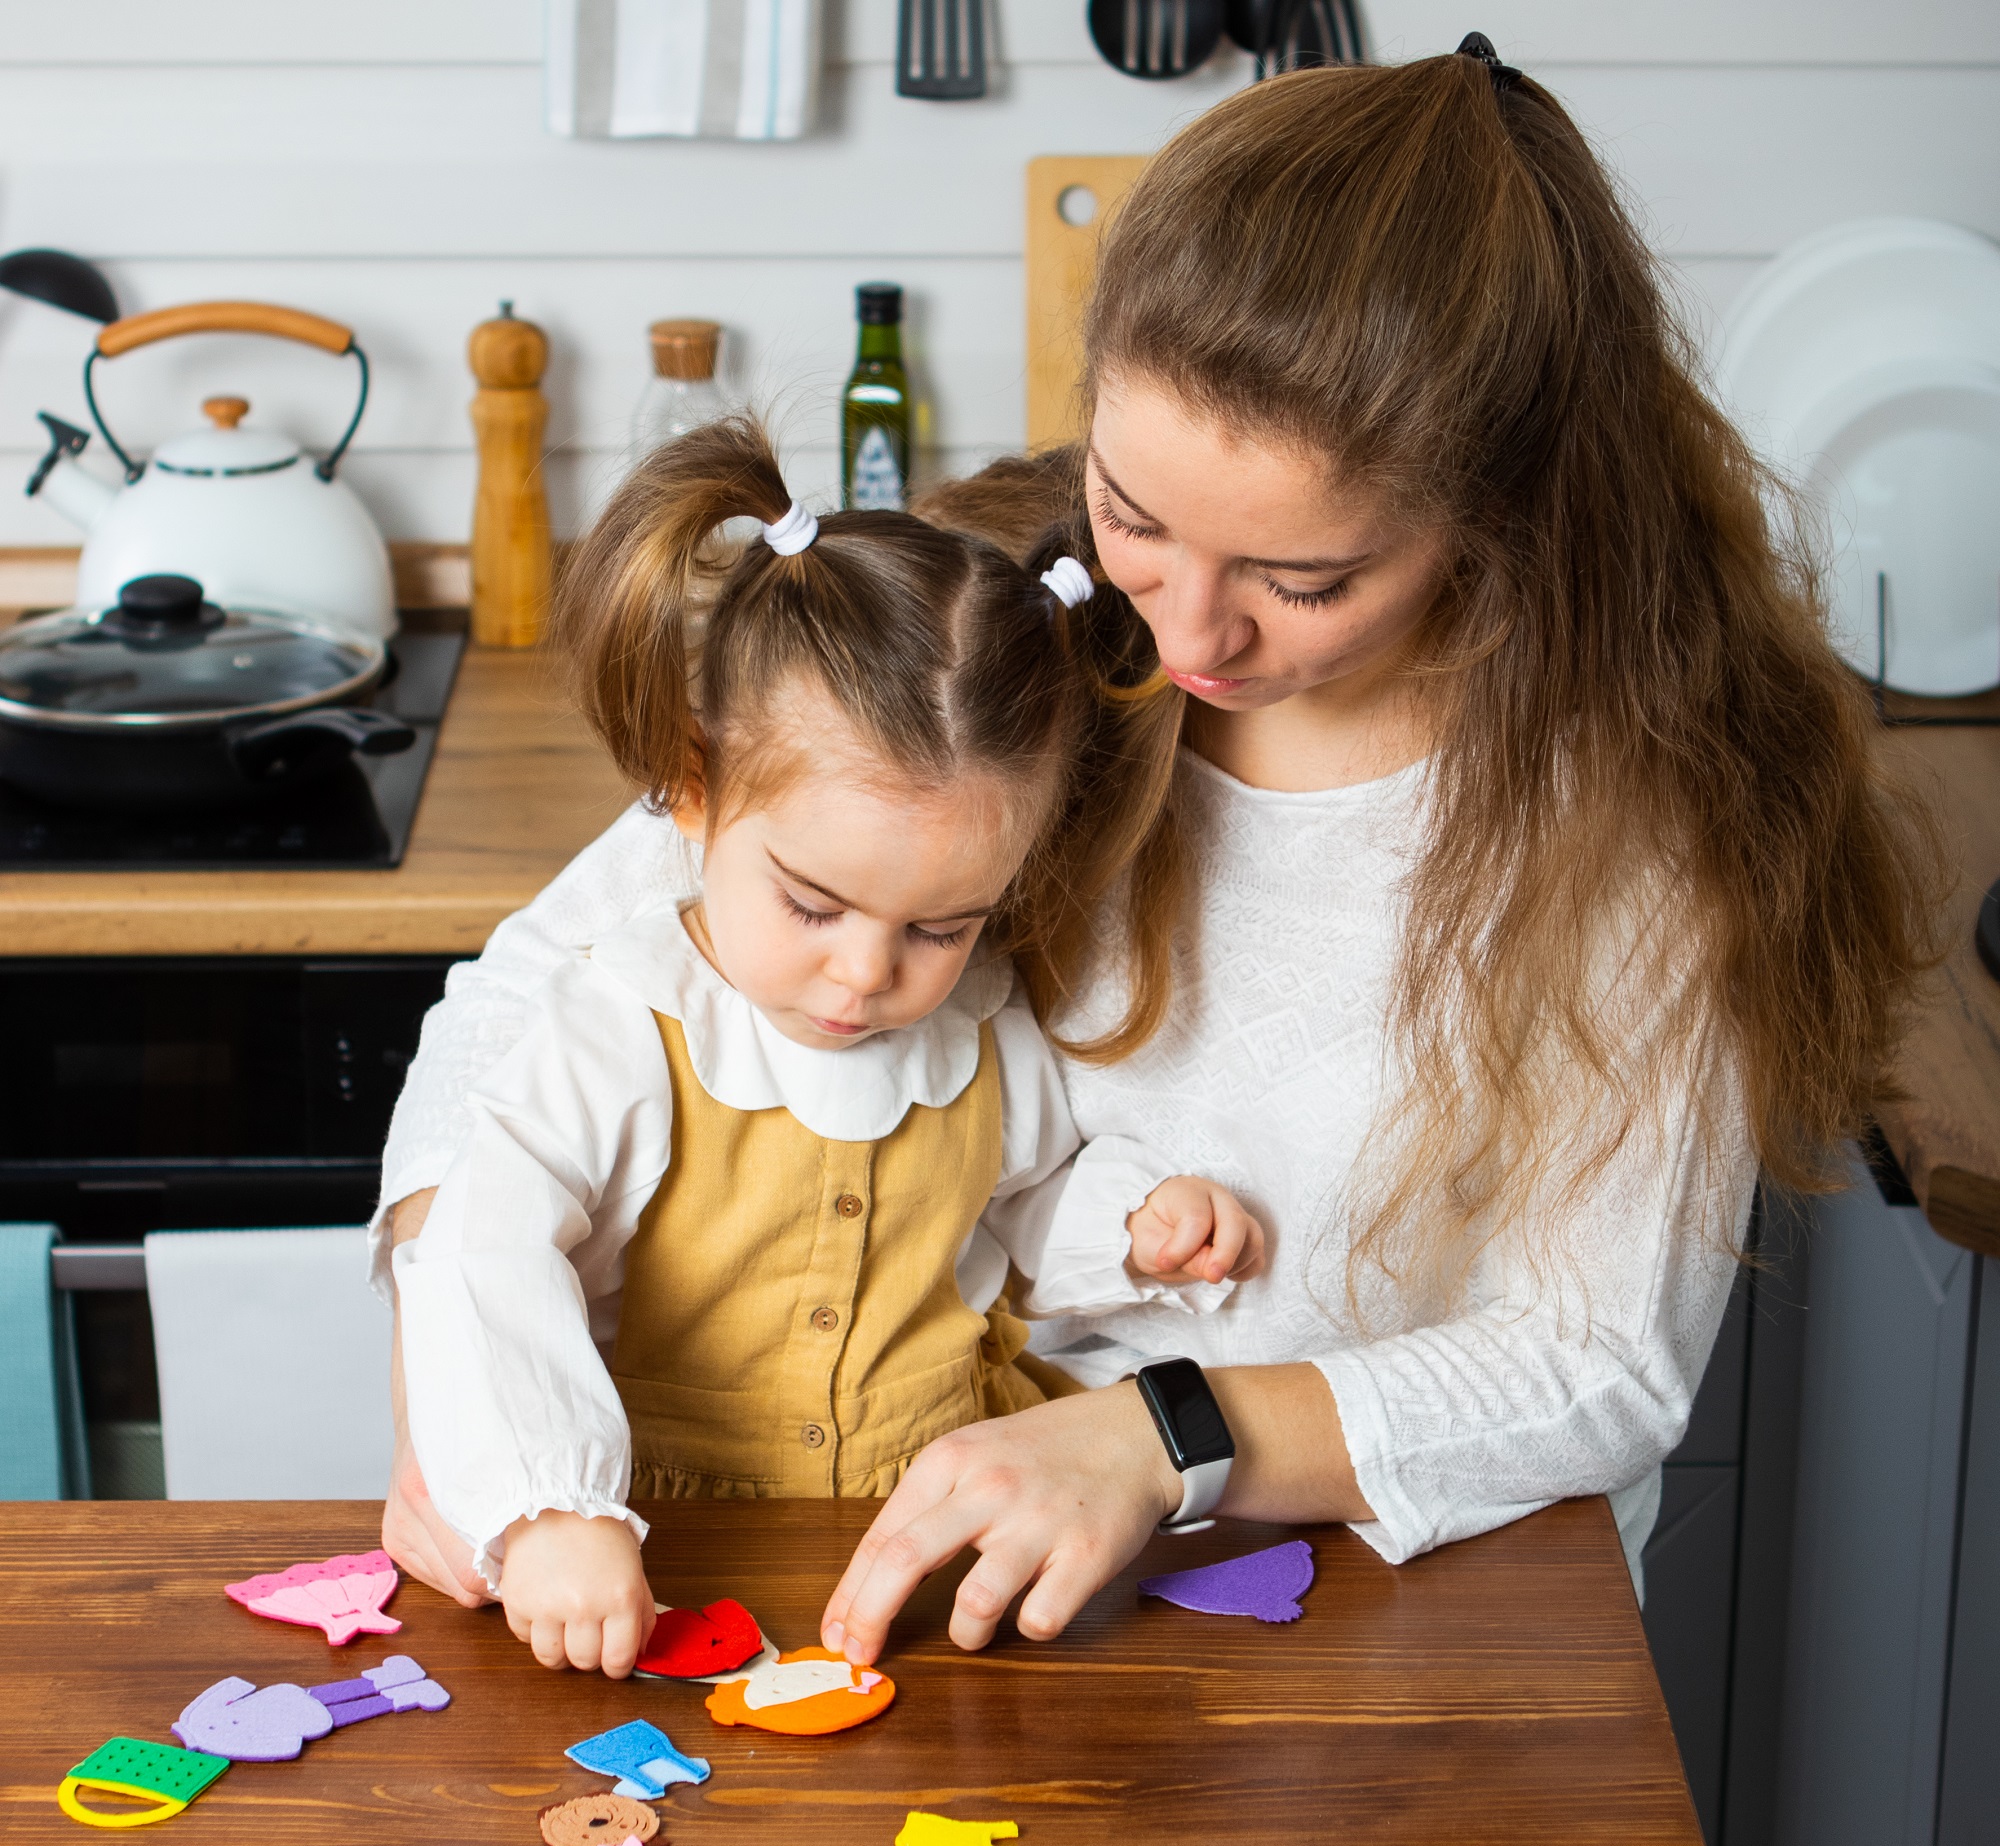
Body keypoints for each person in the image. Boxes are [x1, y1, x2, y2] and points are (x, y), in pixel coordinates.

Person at [377, 51, 1941, 1668]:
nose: (1186, 632)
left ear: (1501, 512)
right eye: (1136, 510)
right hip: (927, 1579)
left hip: (1386, 1636)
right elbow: (549, 988)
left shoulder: (1634, 826)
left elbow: (1594, 1366)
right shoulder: (1008, 608)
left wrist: (1162, 1434)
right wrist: (467, 1367)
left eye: (1302, 577)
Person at [389, 416, 1263, 1674]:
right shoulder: (619, 1023)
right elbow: (483, 1243)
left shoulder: (979, 1030)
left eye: (939, 924)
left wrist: (1132, 1228)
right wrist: (548, 1508)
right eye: (811, 904)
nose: (866, 973)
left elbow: (1022, 1203)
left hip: (938, 1567)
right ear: (688, 793)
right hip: (670, 1567)